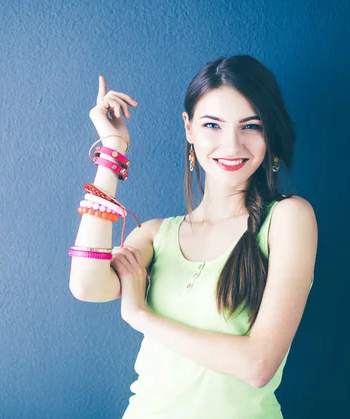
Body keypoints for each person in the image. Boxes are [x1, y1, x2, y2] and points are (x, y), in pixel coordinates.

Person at [69, 55, 317, 419]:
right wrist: (111, 151)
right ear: (188, 128)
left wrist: (140, 315)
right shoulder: (156, 234)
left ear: (269, 132)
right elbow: (86, 285)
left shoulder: (288, 218)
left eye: (250, 126)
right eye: (212, 125)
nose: (231, 145)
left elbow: (258, 365)